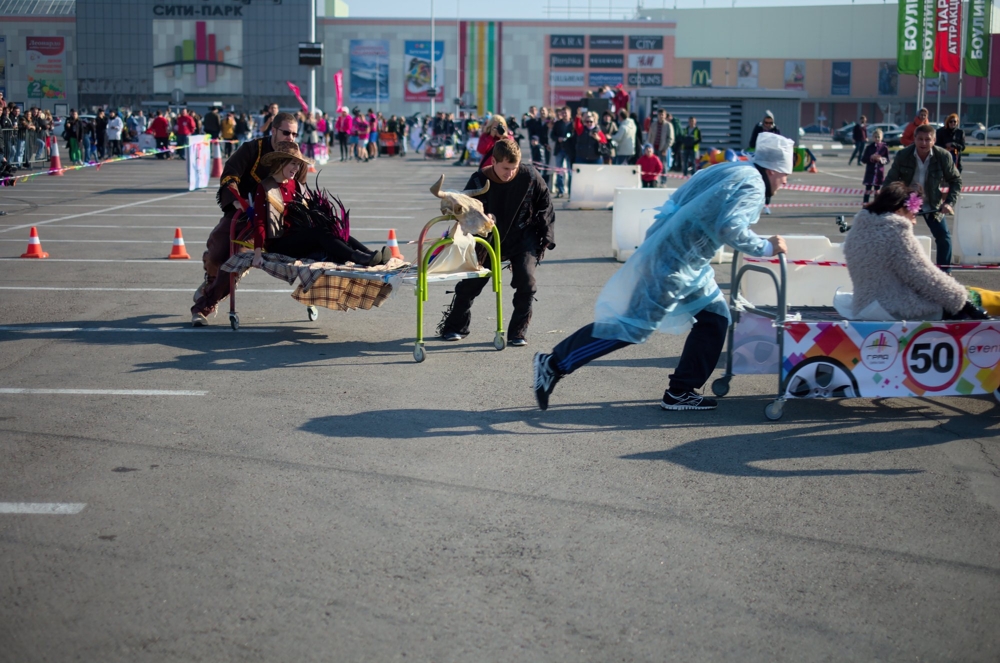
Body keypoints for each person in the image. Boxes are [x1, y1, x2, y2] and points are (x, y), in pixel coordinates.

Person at [532, 132, 793, 412]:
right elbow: (730, 227)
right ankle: (554, 364)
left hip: (684, 257)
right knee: (631, 326)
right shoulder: (753, 184)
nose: (786, 181)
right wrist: (766, 247)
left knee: (715, 318)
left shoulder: (736, 168)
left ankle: (680, 391)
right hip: (675, 261)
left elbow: (687, 195)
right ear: (772, 169)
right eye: (784, 175)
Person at [438, 139, 555, 347]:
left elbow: (545, 202)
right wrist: (482, 217)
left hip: (522, 235)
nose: (510, 173)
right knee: (470, 284)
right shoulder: (479, 179)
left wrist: (545, 233)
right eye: (505, 168)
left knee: (527, 283)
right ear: (493, 161)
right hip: (487, 238)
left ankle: (517, 332)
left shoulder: (529, 175)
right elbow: (465, 206)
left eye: (514, 168)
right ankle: (455, 327)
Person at [191, 112, 300, 326]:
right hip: (240, 213)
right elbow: (230, 177)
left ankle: (204, 305)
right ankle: (211, 280)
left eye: (295, 134)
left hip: (270, 225)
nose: (291, 139)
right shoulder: (251, 149)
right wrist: (237, 200)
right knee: (216, 252)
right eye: (286, 133)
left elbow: (299, 191)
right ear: (273, 130)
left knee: (235, 261)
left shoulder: (296, 157)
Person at [843, 182, 990, 321]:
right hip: (893, 309)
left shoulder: (857, 231)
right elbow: (923, 275)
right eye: (913, 214)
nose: (914, 221)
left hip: (863, 306)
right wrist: (962, 301)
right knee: (960, 311)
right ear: (899, 210)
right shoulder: (895, 231)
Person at [248, 142, 391, 272]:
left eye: (298, 165)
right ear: (280, 162)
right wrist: (257, 254)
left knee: (333, 228)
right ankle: (357, 257)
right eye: (293, 164)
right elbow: (259, 222)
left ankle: (370, 254)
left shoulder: (295, 184)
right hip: (279, 243)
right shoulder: (265, 187)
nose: (296, 169)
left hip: (300, 236)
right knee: (320, 232)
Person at [883, 123, 961, 272]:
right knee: (896, 237)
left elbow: (956, 180)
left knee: (944, 238)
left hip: (932, 203)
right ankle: (895, 272)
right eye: (920, 139)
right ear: (914, 139)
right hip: (906, 203)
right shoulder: (903, 155)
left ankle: (944, 274)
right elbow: (890, 180)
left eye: (927, 139)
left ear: (934, 140)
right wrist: (885, 202)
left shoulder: (943, 156)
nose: (924, 143)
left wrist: (949, 202)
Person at [860, 128, 889, 204]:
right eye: (875, 137)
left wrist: (881, 159)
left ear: (881, 137)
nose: (877, 139)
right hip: (870, 172)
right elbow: (863, 160)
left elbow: (887, 160)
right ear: (873, 137)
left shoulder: (884, 147)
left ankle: (876, 205)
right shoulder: (869, 147)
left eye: (878, 137)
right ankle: (865, 205)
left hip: (879, 173)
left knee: (877, 190)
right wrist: (871, 158)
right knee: (868, 190)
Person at [549, 107, 573, 198]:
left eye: (566, 113)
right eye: (563, 113)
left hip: (569, 150)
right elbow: (552, 135)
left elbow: (575, 135)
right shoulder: (558, 124)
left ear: (570, 113)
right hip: (559, 149)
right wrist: (557, 138)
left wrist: (569, 138)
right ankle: (560, 191)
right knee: (559, 171)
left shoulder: (572, 124)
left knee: (570, 172)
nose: (564, 114)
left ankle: (570, 191)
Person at [647, 108, 674, 174]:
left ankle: (663, 181)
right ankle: (653, 179)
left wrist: (665, 148)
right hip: (653, 148)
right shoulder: (653, 124)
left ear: (665, 116)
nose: (661, 116)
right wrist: (649, 146)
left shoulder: (668, 125)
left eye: (662, 115)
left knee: (663, 164)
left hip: (662, 148)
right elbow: (650, 136)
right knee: (652, 164)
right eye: (659, 114)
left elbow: (671, 138)